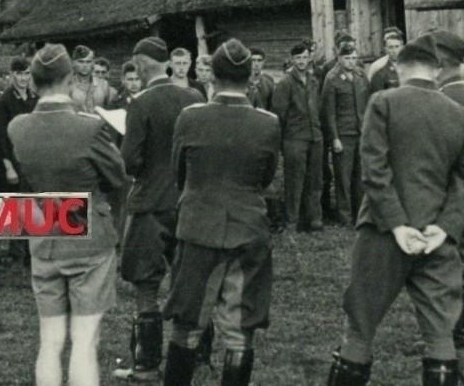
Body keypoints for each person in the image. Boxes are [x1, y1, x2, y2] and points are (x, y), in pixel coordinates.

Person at [326, 34, 464, 386]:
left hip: (382, 233)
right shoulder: (462, 116)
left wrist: (398, 224)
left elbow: (373, 168)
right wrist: (445, 227)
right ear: (438, 70)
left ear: (399, 66)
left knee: (359, 330)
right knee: (440, 335)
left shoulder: (383, 102)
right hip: (436, 238)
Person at [162, 39, 281, 385]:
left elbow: (179, 173)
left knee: (186, 323)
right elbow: (267, 175)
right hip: (248, 228)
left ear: (212, 74)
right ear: (250, 77)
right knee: (241, 326)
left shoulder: (191, 117)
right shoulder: (268, 122)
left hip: (198, 226)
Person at [8, 44, 128, 386]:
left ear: (33, 81)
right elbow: (118, 178)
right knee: (85, 340)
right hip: (88, 233)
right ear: (69, 79)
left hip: (43, 230)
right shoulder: (89, 129)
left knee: (50, 340)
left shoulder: (18, 127)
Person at [117, 36, 205, 380]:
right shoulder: (195, 98)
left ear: (139, 64)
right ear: (167, 63)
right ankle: (197, 356)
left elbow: (129, 161)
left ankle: (146, 362)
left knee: (146, 284)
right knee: (192, 283)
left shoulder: (140, 103)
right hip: (188, 203)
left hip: (151, 204)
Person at [430, 30, 464, 351]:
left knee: (450, 260)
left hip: (449, 190)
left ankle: (461, 329)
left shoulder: (451, 95)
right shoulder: (458, 92)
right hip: (456, 188)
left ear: (441, 61)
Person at [271, 41, 324, 232]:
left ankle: (314, 219)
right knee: (294, 181)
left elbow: (318, 108)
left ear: (309, 58)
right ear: (292, 59)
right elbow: (279, 114)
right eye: (298, 58)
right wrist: (284, 142)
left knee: (315, 180)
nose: (302, 61)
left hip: (315, 137)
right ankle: (292, 221)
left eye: (304, 57)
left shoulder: (313, 80)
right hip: (294, 139)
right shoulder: (285, 83)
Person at [321, 41, 370, 227]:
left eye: (354, 58)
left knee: (360, 176)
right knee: (343, 178)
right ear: (340, 58)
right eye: (347, 58)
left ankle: (360, 214)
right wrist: (335, 137)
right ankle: (345, 216)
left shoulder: (360, 75)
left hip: (361, 133)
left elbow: (368, 103)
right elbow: (329, 112)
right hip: (343, 135)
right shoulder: (331, 78)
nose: (351, 62)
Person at [0, 57, 34, 194]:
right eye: (19, 74)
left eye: (27, 73)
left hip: (32, 161)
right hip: (14, 162)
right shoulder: (2, 102)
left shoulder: (35, 99)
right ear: (12, 75)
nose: (23, 78)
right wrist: (9, 168)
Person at [70, 45, 116, 113]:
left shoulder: (103, 85)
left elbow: (111, 110)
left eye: (88, 62)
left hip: (99, 123)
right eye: (81, 61)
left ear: (93, 63)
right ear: (73, 63)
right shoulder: (68, 85)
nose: (85, 66)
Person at [367, 27, 405, 94]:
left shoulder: (410, 66)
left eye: (397, 46)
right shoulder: (379, 69)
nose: (394, 51)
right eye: (391, 47)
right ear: (386, 49)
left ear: (402, 47)